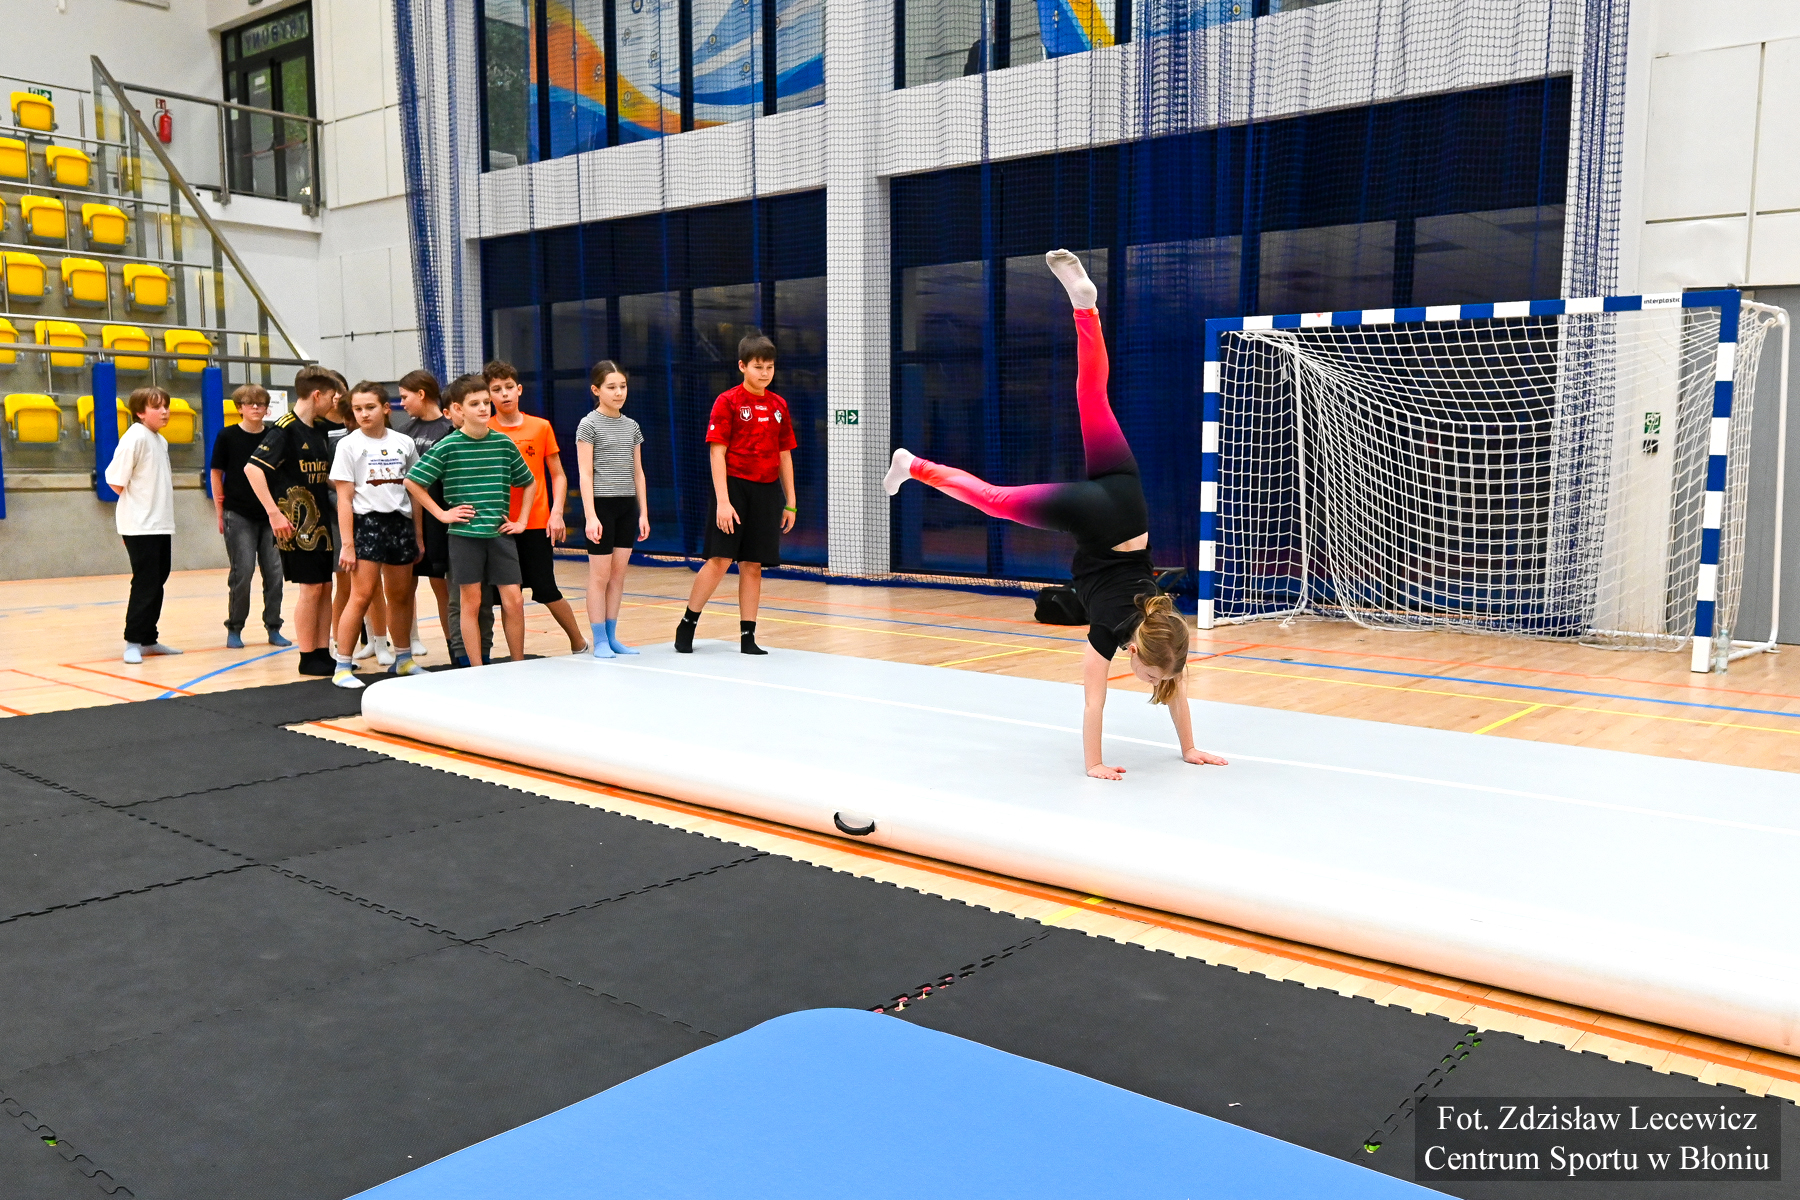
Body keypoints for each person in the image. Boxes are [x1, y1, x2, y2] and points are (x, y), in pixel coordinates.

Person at [884, 250, 1229, 780]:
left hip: (1128, 500)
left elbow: (1173, 685)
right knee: (994, 500)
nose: (1151, 681)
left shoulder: (1164, 627)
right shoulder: (1110, 632)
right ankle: (913, 465)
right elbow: (1094, 703)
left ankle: (1085, 307)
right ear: (1136, 650)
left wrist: (1189, 749)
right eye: (1147, 673)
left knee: (1092, 396)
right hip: (1097, 520)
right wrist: (1094, 764)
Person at [673, 333, 796, 656]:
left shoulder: (779, 405)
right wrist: (723, 502)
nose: (765, 373)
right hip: (733, 487)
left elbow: (785, 454)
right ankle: (687, 623)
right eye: (758, 367)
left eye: (769, 367)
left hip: (767, 491)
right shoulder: (727, 402)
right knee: (720, 560)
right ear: (742, 366)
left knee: (752, 565)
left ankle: (747, 636)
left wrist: (791, 502)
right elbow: (717, 453)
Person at [404, 374, 537, 667]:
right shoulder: (448, 446)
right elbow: (413, 481)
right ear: (458, 409)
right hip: (464, 537)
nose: (483, 408)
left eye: (486, 402)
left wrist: (522, 521)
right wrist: (442, 514)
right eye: (475, 403)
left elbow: (529, 482)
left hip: (500, 534)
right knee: (471, 602)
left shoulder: (502, 443)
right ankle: (476, 669)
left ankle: (519, 664)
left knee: (514, 600)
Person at [485, 360, 588, 653]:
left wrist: (557, 513)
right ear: (489, 395)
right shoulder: (485, 430)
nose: (504, 394)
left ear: (519, 389)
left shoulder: (540, 427)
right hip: (499, 526)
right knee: (509, 596)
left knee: (545, 588)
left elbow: (558, 475)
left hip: (536, 523)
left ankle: (579, 642)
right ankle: (516, 659)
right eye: (496, 389)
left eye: (508, 387)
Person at [246, 366, 339, 676]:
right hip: (296, 523)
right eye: (331, 396)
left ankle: (323, 652)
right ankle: (307, 655)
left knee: (325, 587)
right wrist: (274, 513)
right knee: (310, 589)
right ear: (317, 395)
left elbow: (320, 475)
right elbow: (253, 470)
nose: (333, 402)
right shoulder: (284, 429)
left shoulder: (319, 428)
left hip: (321, 521)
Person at [328, 381, 422, 689]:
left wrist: (418, 535)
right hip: (367, 524)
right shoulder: (348, 445)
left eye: (370, 407)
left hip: (400, 524)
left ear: (385, 408)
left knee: (400, 595)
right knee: (362, 595)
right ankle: (343, 665)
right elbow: (344, 499)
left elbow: (414, 491)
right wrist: (348, 544)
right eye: (358, 409)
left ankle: (403, 658)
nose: (364, 414)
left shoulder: (404, 442)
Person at [575, 360, 649, 658]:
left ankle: (612, 636)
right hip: (601, 507)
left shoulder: (632, 426)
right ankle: (599, 640)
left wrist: (643, 513)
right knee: (600, 576)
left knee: (618, 576)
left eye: (623, 386)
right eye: (611, 387)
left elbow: (638, 472)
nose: (619, 393)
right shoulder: (588, 424)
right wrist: (591, 516)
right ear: (596, 390)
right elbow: (585, 474)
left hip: (626, 506)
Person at [319, 371, 393, 667]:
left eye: (341, 390)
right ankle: (341, 646)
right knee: (346, 585)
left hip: (377, 515)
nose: (337, 396)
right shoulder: (323, 431)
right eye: (332, 392)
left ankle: (379, 641)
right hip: (341, 513)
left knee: (377, 587)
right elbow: (332, 480)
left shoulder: (379, 432)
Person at [104, 386, 183, 664]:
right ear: (140, 412)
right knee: (145, 582)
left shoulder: (160, 440)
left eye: (166, 406)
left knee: (158, 580)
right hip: (140, 526)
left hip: (159, 524)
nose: (165, 412)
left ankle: (149, 639)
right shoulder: (134, 437)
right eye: (157, 407)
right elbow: (115, 481)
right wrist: (137, 511)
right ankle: (133, 641)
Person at [210, 384, 290, 649]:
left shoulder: (275, 436)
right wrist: (220, 513)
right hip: (238, 514)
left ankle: (274, 626)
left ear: (267, 409)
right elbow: (216, 473)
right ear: (239, 408)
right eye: (249, 403)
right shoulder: (227, 436)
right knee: (242, 573)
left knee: (275, 575)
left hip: (271, 516)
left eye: (261, 403)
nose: (255, 407)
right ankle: (235, 627)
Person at [395, 369, 452, 659]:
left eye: (405, 396)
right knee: (403, 588)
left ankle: (455, 648)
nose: (401, 403)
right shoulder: (403, 432)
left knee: (443, 587)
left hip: (439, 519)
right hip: (407, 518)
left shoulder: (449, 428)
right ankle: (404, 649)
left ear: (421, 393)